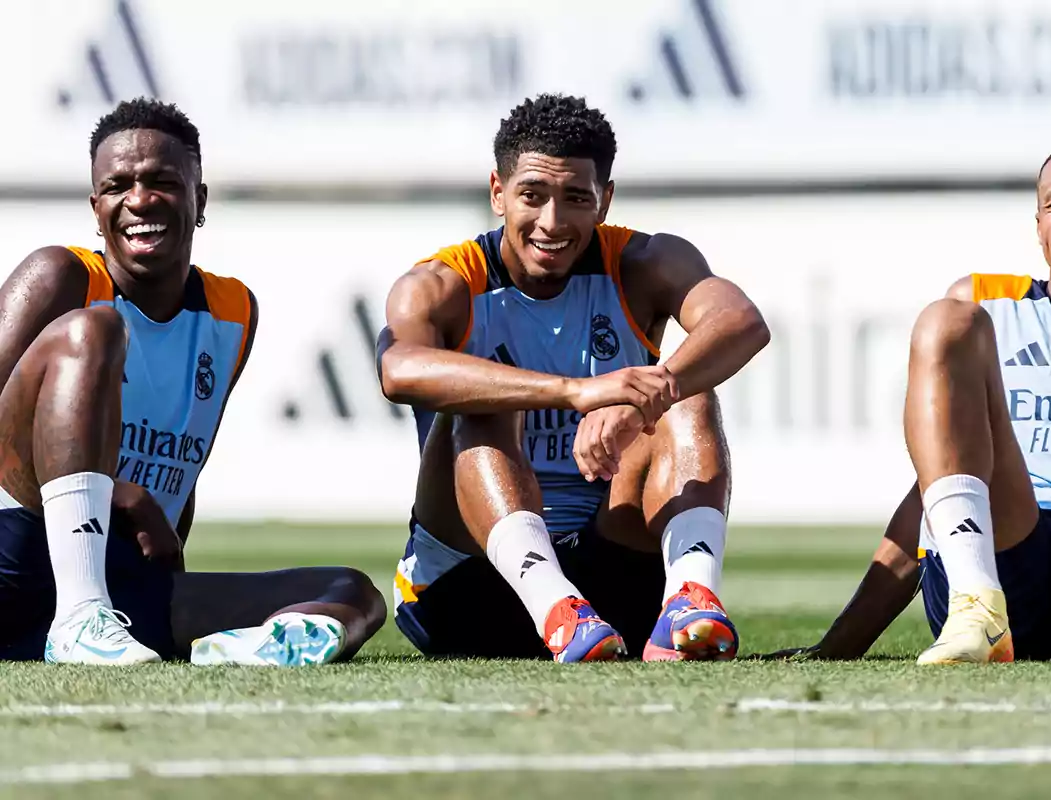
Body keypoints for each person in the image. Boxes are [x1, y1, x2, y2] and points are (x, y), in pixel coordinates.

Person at [774, 131, 1051, 665]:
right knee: (945, 318)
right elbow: (936, 488)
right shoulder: (986, 307)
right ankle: (976, 611)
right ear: (1039, 224)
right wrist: (840, 646)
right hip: (1006, 563)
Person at [376, 93, 769, 663]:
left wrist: (639, 401)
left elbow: (741, 321)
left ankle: (690, 596)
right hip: (469, 588)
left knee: (685, 391)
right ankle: (556, 608)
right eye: (532, 196)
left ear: (604, 200)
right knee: (486, 396)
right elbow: (397, 369)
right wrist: (577, 392)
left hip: (608, 586)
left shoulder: (644, 263)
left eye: (576, 199)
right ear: (497, 192)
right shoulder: (444, 282)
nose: (552, 223)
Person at [0, 97, 386, 666]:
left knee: (352, 593)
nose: (139, 200)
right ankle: (79, 619)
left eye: (162, 181)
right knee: (93, 332)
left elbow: (181, 449)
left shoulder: (234, 312)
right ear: (95, 206)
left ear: (199, 199)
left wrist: (166, 544)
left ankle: (243, 652)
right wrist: (125, 498)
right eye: (118, 186)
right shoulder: (61, 276)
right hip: (14, 560)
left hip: (122, 587)